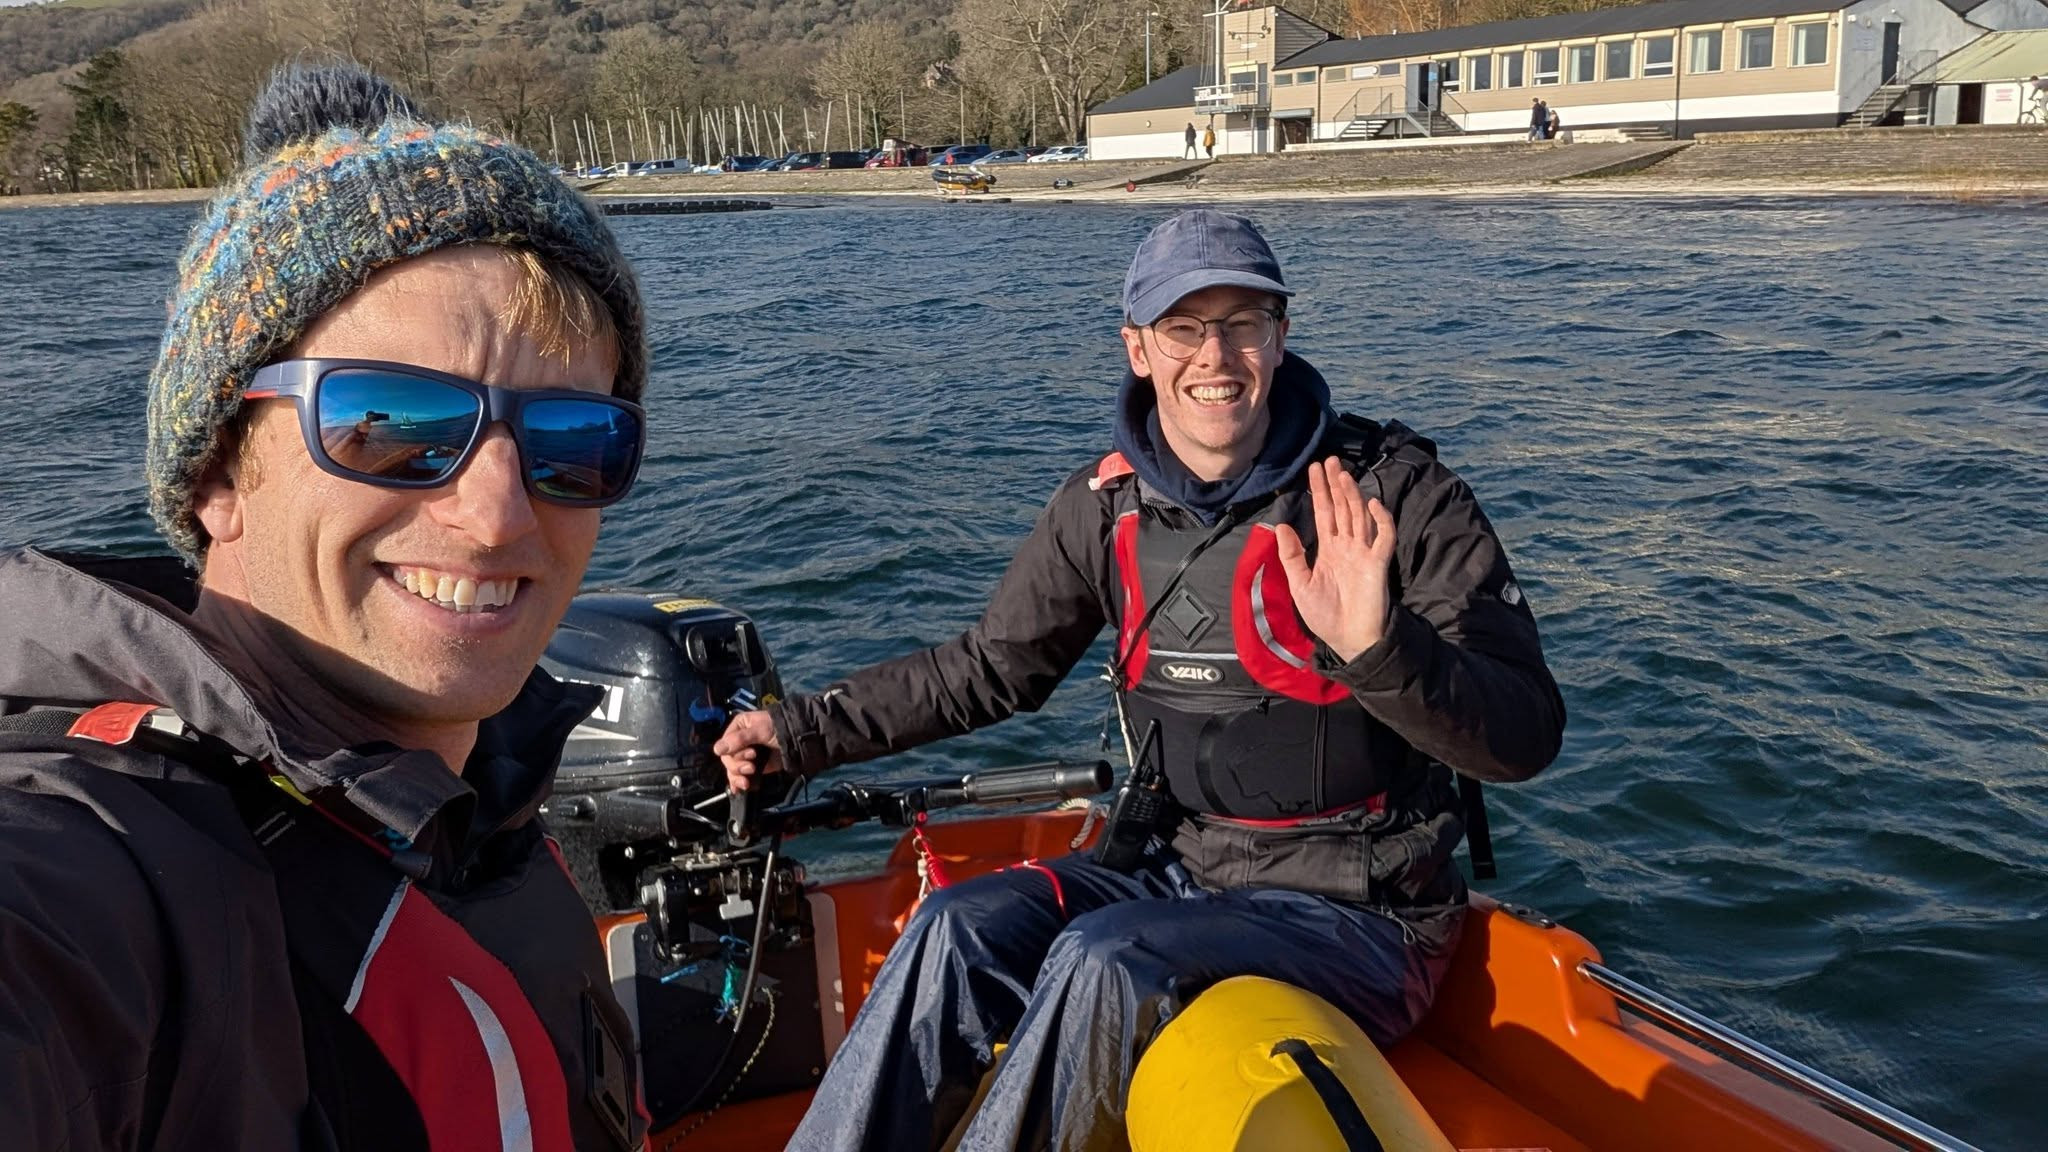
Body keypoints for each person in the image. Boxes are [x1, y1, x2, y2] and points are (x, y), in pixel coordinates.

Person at [717, 209, 1565, 1151]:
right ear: (1138, 348)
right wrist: (799, 735)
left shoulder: (1395, 496)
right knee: (955, 928)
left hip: (1361, 911)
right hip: (1177, 870)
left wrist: (1379, 650)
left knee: (1103, 958)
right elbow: (988, 669)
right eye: (1184, 328)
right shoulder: (1104, 505)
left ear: (1281, 338)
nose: (1218, 356)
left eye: (1245, 321)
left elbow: (1525, 736)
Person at [0, 62, 652, 1151]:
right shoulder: (102, 872)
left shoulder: (476, 816)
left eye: (571, 443)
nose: (497, 516)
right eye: (390, 424)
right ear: (217, 470)